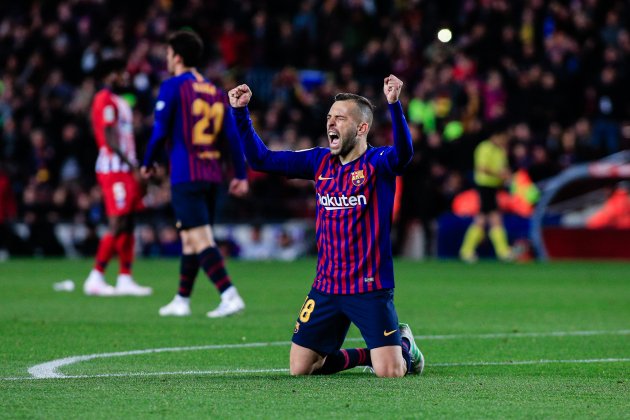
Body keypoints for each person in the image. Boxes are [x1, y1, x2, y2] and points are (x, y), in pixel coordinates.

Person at [228, 75, 424, 377]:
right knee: (301, 368)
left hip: (368, 286)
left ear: (362, 128)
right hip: (327, 286)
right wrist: (240, 112)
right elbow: (261, 159)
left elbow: (404, 155)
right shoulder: (318, 162)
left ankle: (405, 348)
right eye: (330, 117)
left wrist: (395, 105)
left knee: (392, 372)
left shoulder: (378, 162)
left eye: (340, 118)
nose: (331, 124)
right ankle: (368, 356)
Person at [141, 30, 249, 318]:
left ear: (177, 56)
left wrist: (148, 161)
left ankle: (229, 294)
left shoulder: (173, 86)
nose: (166, 59)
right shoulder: (215, 92)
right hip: (212, 175)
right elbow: (231, 137)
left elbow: (160, 130)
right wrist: (239, 174)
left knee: (201, 239)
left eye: (167, 54)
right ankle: (182, 299)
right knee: (190, 238)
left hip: (186, 175)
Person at [83, 58, 152, 296]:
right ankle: (96, 276)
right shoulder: (104, 99)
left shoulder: (120, 101)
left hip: (124, 168)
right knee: (118, 221)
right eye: (119, 72)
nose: (124, 76)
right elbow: (109, 138)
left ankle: (125, 278)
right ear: (108, 75)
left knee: (129, 221)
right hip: (114, 169)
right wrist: (131, 165)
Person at [459, 124, 512, 262]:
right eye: (503, 138)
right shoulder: (484, 148)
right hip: (484, 186)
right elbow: (481, 168)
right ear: (496, 136)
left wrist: (506, 176)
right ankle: (502, 251)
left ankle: (467, 250)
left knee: (483, 218)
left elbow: (504, 169)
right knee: (492, 218)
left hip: (493, 188)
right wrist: (500, 175)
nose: (504, 141)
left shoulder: (500, 151)